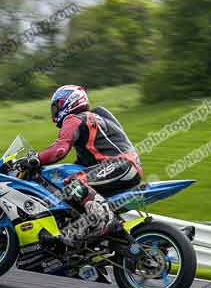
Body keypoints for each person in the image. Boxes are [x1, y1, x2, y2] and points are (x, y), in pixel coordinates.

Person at [37, 85, 143, 244]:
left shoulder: (74, 119)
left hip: (120, 165)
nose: (55, 112)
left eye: (56, 107)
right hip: (125, 166)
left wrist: (36, 158)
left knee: (73, 183)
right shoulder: (94, 118)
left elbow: (59, 149)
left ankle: (103, 220)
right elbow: (84, 163)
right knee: (73, 181)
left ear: (69, 101)